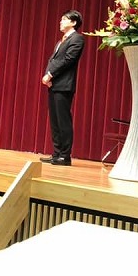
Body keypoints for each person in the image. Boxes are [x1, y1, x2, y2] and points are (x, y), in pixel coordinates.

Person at [40, 10, 85, 166]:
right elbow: (53, 60)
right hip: (54, 84)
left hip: (64, 85)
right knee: (55, 121)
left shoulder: (77, 39)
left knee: (63, 121)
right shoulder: (61, 41)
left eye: (64, 19)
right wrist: (48, 77)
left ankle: (65, 156)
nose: (60, 22)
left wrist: (50, 74)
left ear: (73, 22)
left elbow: (68, 60)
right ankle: (57, 153)